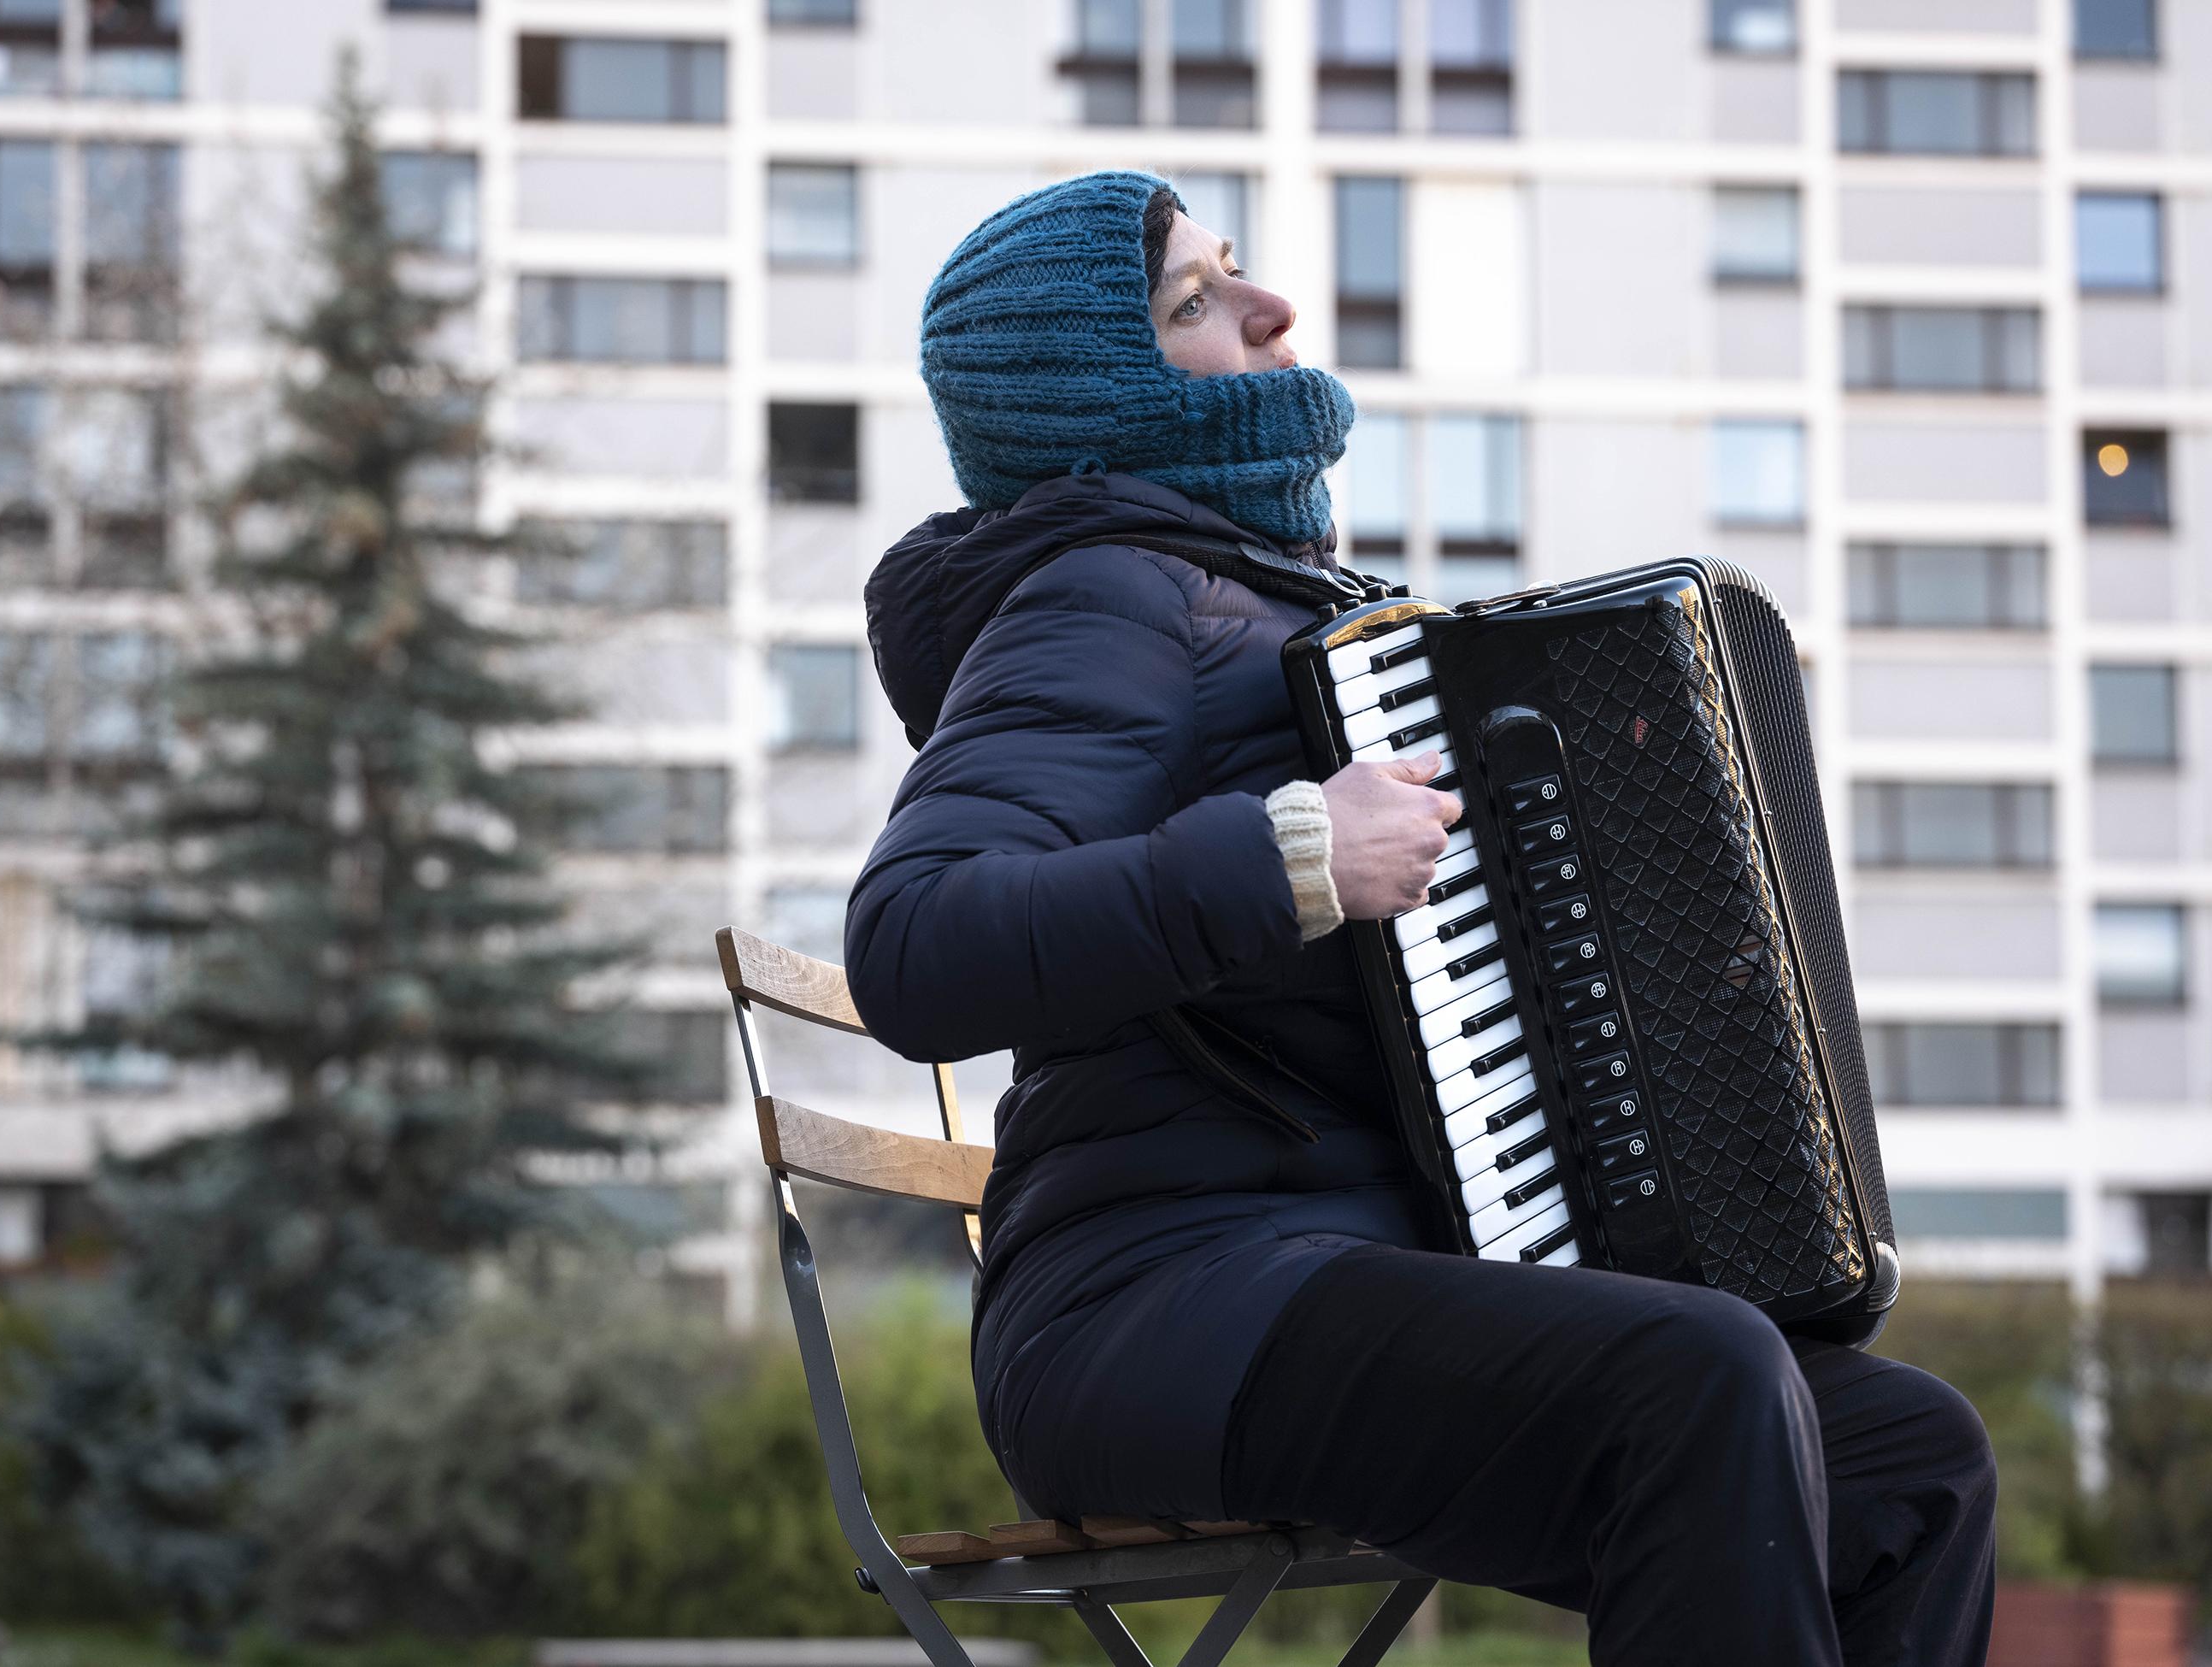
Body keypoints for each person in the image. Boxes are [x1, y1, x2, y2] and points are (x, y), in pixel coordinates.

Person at [847, 169, 1997, 1667]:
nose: (1273, 314)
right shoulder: (1107, 598)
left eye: (1234, 271)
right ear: (1102, 398)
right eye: (1196, 303)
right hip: (1148, 1304)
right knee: (1694, 1380)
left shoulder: (1275, 599)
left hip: (1328, 1263)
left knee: (1911, 1458)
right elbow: (916, 943)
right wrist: (1292, 857)